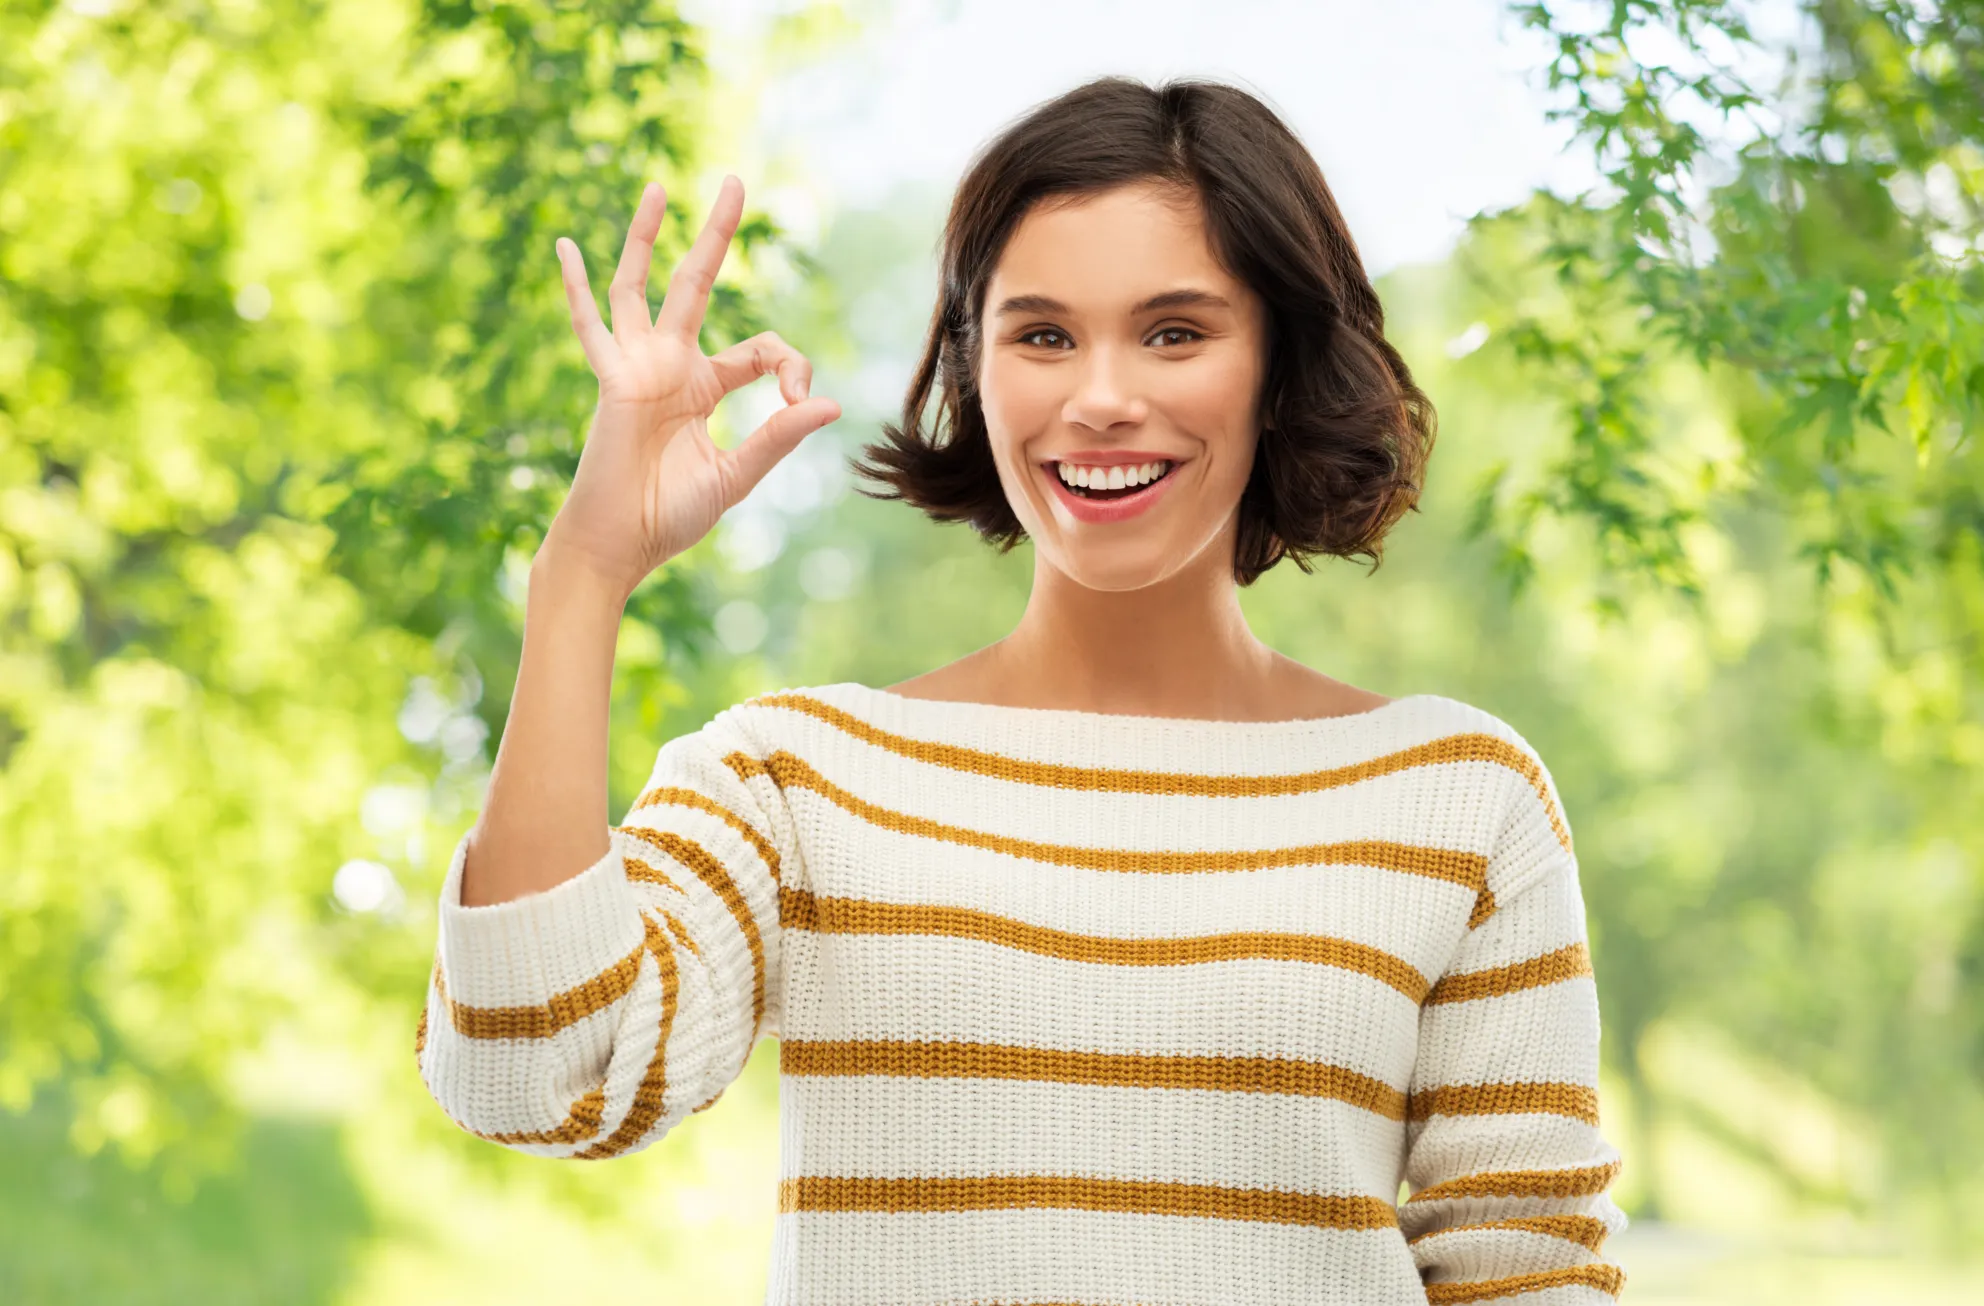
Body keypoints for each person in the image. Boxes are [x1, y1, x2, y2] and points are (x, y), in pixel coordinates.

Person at [415, 76, 1629, 1305]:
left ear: (1276, 366)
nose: (1099, 397)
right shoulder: (800, 780)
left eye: (1175, 332)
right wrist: (584, 572)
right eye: (1042, 334)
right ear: (973, 371)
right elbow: (536, 1072)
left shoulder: (1457, 799)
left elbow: (1527, 1268)